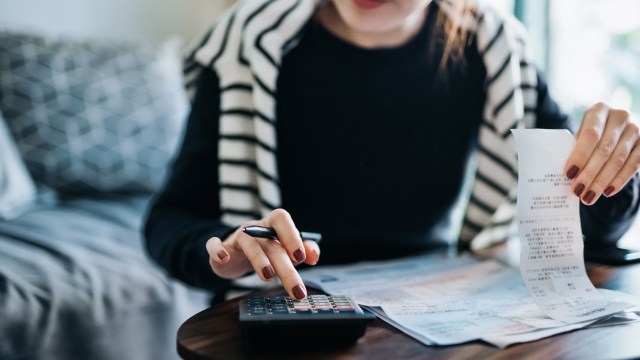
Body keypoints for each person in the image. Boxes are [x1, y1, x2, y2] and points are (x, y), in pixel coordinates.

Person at [144, 0, 640, 302]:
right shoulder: (244, 47)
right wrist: (225, 255)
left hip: (437, 309)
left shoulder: (497, 50)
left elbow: (588, 226)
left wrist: (614, 168)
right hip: (282, 315)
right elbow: (169, 218)